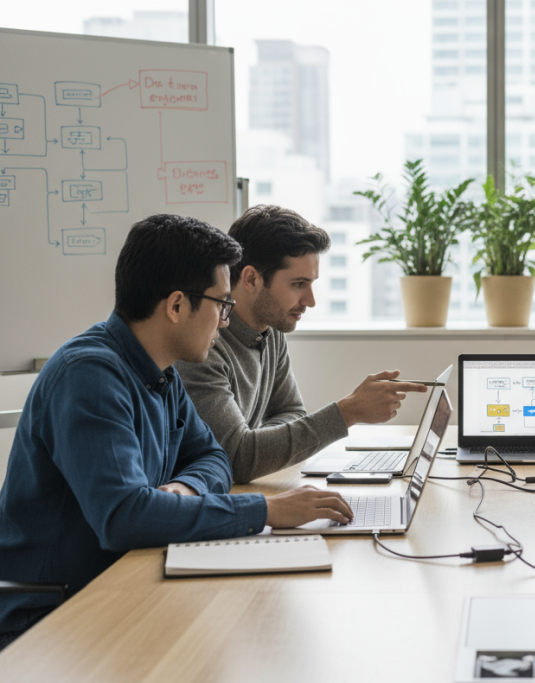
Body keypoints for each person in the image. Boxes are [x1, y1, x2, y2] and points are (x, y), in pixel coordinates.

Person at [0, 214, 353, 651]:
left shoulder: (158, 371)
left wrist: (184, 489)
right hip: (53, 618)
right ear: (176, 306)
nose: (227, 321)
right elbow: (124, 518)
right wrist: (264, 512)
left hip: (122, 581)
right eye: (222, 305)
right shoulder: (90, 376)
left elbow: (215, 459)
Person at [177, 205, 428, 484]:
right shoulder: (200, 346)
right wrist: (348, 412)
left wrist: (260, 445)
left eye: (311, 283)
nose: (310, 300)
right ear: (251, 279)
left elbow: (291, 412)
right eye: (298, 284)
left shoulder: (271, 332)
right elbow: (236, 458)